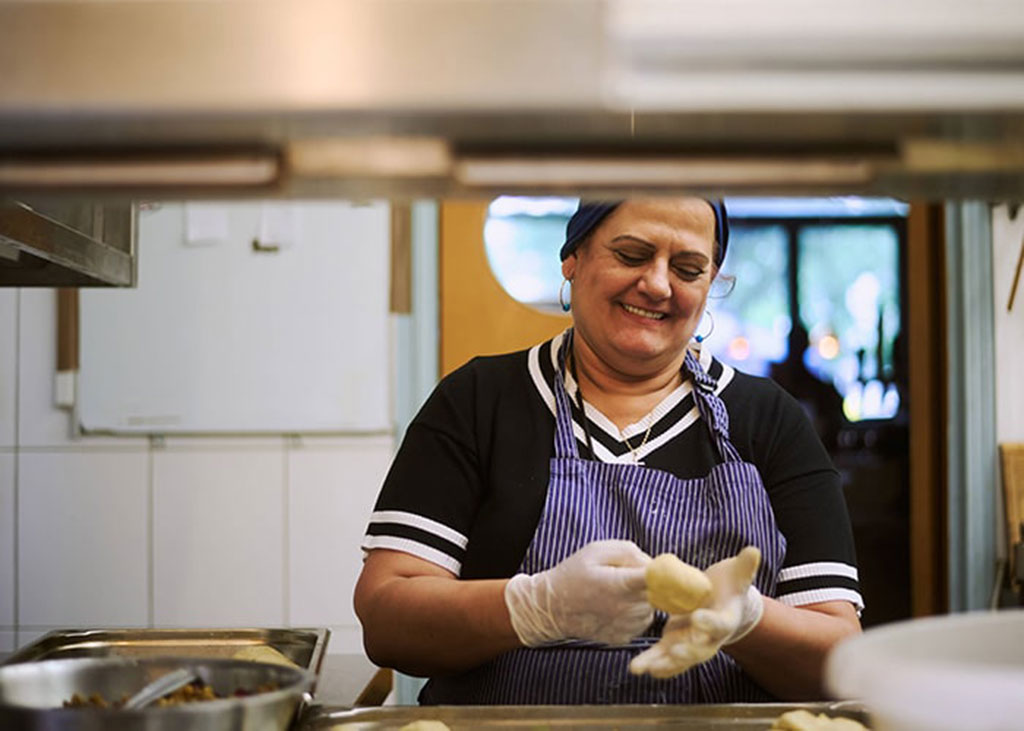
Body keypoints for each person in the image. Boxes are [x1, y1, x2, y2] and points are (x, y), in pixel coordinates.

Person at [354, 198, 863, 705]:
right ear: (572, 258)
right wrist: (536, 607)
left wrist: (748, 619)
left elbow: (840, 658)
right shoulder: (480, 400)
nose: (658, 285)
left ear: (710, 286)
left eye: (687, 268)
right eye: (632, 255)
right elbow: (386, 618)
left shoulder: (769, 420)